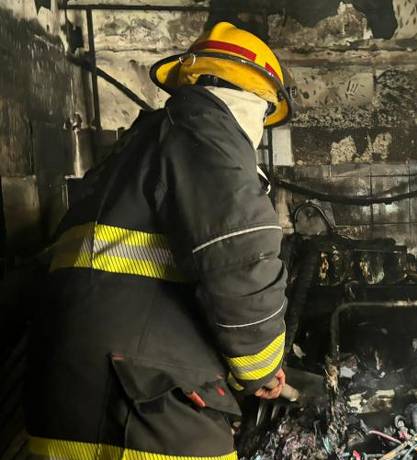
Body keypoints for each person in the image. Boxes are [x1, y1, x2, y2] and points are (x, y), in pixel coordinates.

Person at [24, 22, 293, 460]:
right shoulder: (207, 129)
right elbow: (241, 255)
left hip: (70, 402)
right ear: (258, 101)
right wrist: (262, 368)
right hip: (141, 407)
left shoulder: (138, 146)